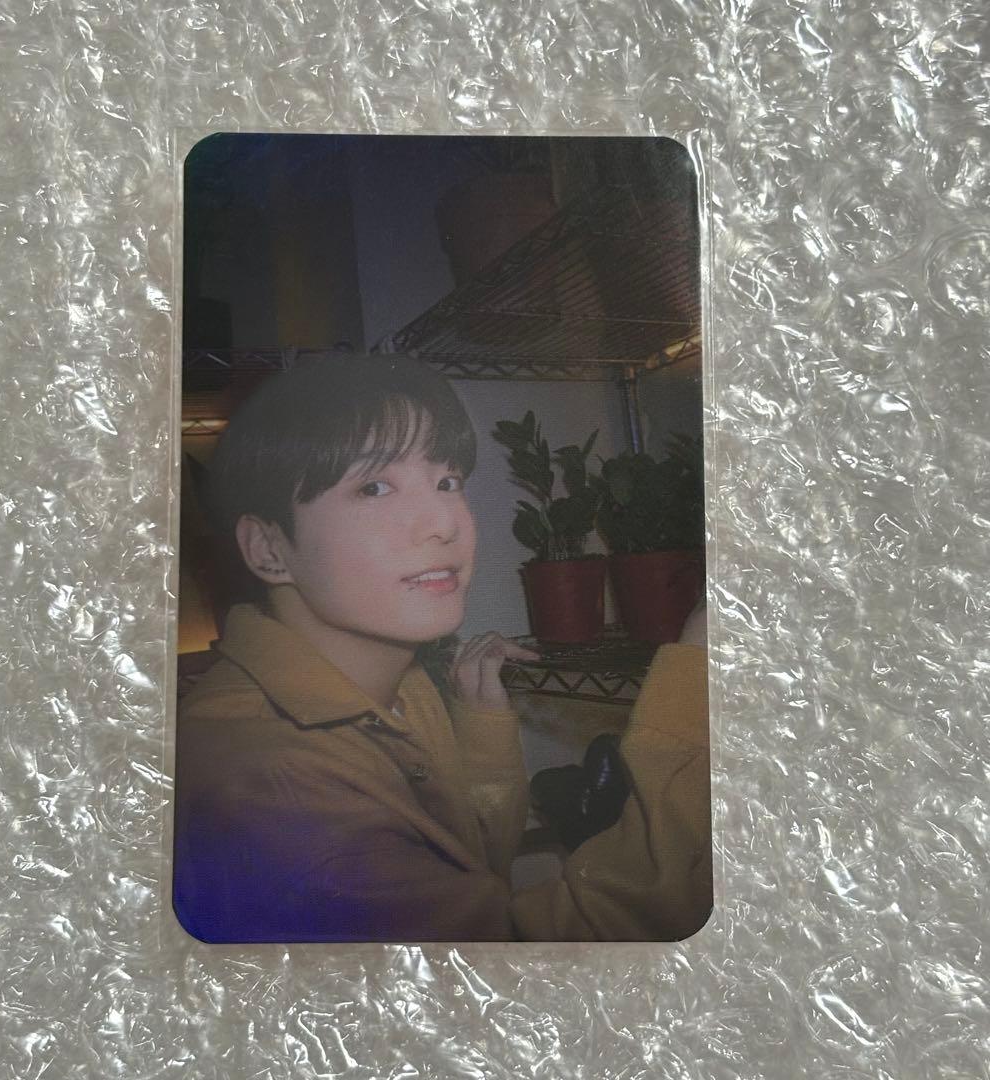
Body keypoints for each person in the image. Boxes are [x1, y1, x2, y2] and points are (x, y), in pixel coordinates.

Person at [173, 352, 711, 942]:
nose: (444, 523)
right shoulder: (269, 790)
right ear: (269, 548)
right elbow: (523, 964)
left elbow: (468, 867)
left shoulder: (394, 681)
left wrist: (480, 724)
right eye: (374, 487)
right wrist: (697, 689)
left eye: (447, 482)